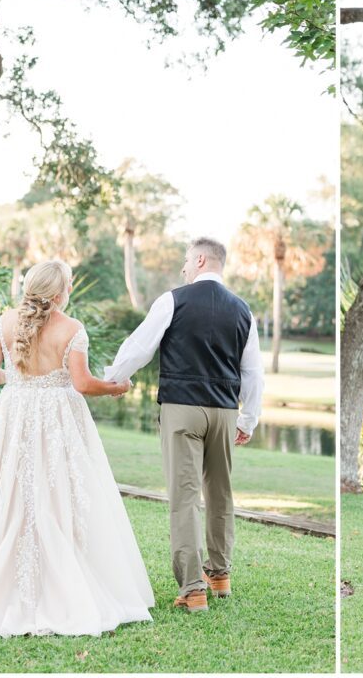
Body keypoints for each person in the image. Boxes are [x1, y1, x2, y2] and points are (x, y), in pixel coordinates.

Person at [0, 260, 154, 636]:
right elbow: (82, 384)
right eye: (68, 285)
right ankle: (62, 582)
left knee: (8, 495)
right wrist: (116, 387)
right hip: (57, 421)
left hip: (13, 418)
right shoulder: (71, 330)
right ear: (60, 292)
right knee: (60, 493)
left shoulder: (4, 322)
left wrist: (14, 382)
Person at [104, 237, 264, 613]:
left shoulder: (173, 300)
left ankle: (193, 589)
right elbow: (253, 371)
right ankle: (220, 575)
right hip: (224, 412)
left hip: (182, 408)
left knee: (184, 498)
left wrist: (114, 378)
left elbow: (140, 347)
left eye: (187, 261)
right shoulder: (243, 310)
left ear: (202, 259)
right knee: (221, 494)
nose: (183, 269)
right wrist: (249, 419)